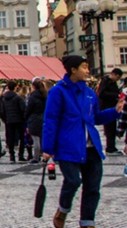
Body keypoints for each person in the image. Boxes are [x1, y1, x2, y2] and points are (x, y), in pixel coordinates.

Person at [44, 55, 124, 228]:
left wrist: (114, 111)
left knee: (93, 187)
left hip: (91, 147)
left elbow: (95, 117)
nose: (88, 71)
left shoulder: (89, 93)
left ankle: (87, 222)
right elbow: (51, 120)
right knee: (73, 181)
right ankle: (63, 209)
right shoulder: (58, 91)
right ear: (73, 70)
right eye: (84, 67)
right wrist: (48, 148)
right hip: (68, 146)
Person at [98, 67, 123, 155]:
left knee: (112, 128)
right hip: (106, 108)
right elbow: (102, 93)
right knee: (109, 129)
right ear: (113, 74)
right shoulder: (105, 81)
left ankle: (112, 147)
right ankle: (110, 148)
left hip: (112, 107)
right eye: (117, 77)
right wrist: (116, 95)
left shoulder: (113, 83)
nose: (118, 79)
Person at [1, 81, 27, 163]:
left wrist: (5, 119)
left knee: (10, 138)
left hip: (9, 120)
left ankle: (12, 155)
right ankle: (21, 155)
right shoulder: (18, 98)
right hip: (19, 120)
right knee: (21, 138)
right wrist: (24, 118)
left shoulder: (4, 98)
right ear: (15, 87)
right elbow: (23, 109)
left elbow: (2, 111)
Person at [25, 78, 47, 164]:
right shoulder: (45, 95)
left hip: (34, 119)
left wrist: (25, 117)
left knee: (35, 139)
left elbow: (29, 109)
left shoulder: (33, 96)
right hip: (43, 117)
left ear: (33, 86)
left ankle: (36, 157)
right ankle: (45, 155)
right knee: (43, 138)